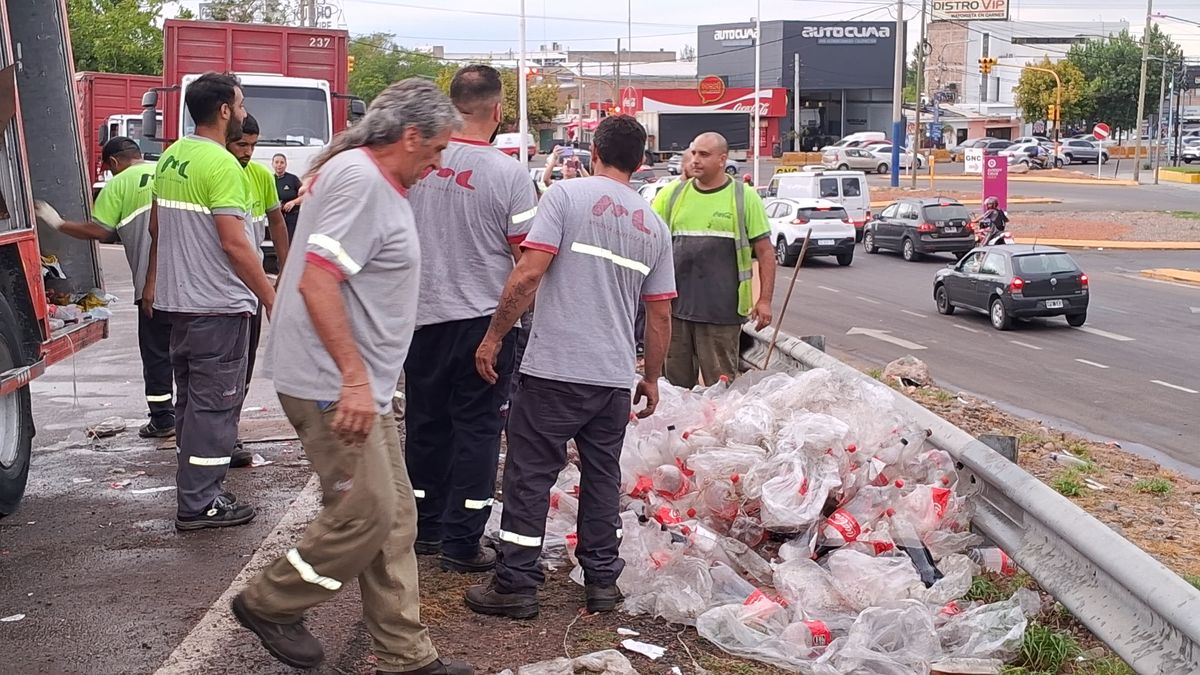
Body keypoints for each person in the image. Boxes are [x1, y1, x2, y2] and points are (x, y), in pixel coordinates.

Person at [231, 79, 472, 675]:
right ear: (410, 136)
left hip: (353, 382)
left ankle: (405, 655)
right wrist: (354, 381)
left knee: (394, 518)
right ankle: (270, 602)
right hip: (332, 384)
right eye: (437, 148)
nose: (439, 163)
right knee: (365, 513)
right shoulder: (364, 181)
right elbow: (318, 279)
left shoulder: (366, 175)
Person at [464, 115, 676, 619]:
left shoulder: (564, 196)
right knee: (602, 477)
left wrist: (494, 336)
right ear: (640, 162)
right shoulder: (654, 226)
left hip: (555, 370)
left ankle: (516, 583)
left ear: (594, 152)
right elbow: (660, 313)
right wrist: (650, 376)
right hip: (612, 378)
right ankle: (602, 581)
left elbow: (528, 273)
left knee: (530, 476)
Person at [403, 64, 539, 574]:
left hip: (420, 321)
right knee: (478, 432)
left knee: (425, 427)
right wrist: (507, 330)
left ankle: (425, 528)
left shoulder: (420, 163)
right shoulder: (509, 175)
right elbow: (527, 262)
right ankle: (462, 542)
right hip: (484, 325)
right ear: (498, 110)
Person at [143, 72, 275, 531]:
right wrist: (270, 296)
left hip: (181, 304)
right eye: (240, 105)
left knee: (192, 405)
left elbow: (157, 227)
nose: (243, 113)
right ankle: (200, 503)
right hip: (218, 305)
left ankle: (198, 489)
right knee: (215, 407)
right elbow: (235, 244)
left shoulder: (172, 156)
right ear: (223, 111)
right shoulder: (223, 165)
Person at [33, 137, 174, 438]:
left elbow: (100, 229)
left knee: (156, 353)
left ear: (113, 162)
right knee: (190, 352)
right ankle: (193, 418)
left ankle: (164, 418)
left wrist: (58, 223)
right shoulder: (167, 170)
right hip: (190, 283)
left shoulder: (119, 184)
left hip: (152, 285)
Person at [651, 132, 775, 389]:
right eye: (694, 153)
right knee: (673, 389)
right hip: (675, 311)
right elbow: (648, 241)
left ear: (722, 160)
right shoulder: (672, 195)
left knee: (720, 390)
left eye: (704, 154)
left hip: (722, 313)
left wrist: (764, 300)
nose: (695, 160)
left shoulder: (743, 197)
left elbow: (765, 252)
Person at [227, 115, 292, 466]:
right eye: (242, 144)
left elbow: (277, 222)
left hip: (250, 288)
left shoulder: (260, 176)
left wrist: (285, 268)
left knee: (243, 364)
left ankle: (229, 429)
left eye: (253, 145)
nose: (248, 152)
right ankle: (219, 436)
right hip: (223, 289)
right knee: (221, 368)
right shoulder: (218, 172)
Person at [273, 153, 303, 241]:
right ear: (272, 164)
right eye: (276, 162)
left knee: (291, 240)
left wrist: (293, 202)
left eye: (282, 162)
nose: (279, 165)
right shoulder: (270, 179)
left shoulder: (293, 179)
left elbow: (305, 196)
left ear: (286, 164)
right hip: (277, 216)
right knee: (279, 241)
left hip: (293, 216)